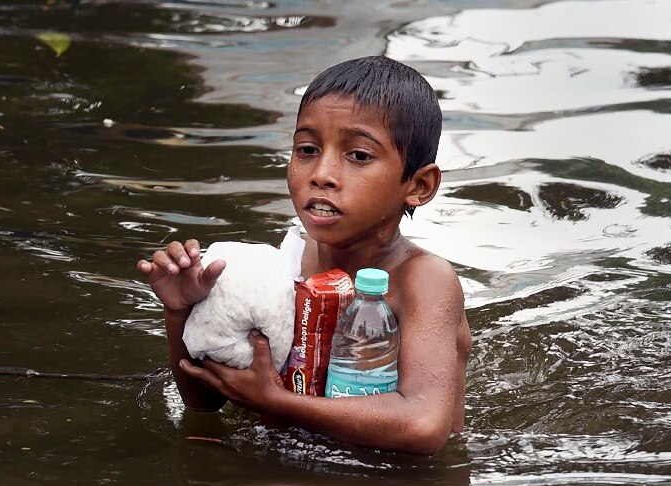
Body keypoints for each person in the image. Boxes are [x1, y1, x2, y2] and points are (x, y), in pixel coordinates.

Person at [136, 56, 472, 455]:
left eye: (359, 156)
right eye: (307, 149)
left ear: (419, 185)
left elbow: (423, 426)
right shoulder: (291, 258)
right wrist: (179, 312)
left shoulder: (423, 281)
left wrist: (278, 403)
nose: (322, 173)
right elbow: (205, 403)